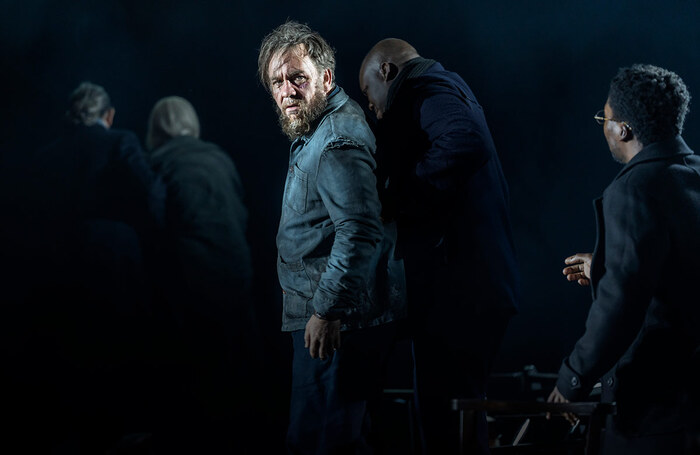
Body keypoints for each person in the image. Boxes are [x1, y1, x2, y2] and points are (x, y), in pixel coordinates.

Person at [359, 39, 520, 454]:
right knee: (456, 419)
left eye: (368, 94)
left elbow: (466, 140)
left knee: (447, 427)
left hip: (461, 295)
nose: (373, 109)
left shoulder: (428, 88)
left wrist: (398, 200)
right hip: (476, 289)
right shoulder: (448, 87)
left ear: (386, 72)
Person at [258, 21, 405, 455]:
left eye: (297, 77)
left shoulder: (336, 138)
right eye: (277, 81)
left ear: (325, 78)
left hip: (339, 327)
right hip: (330, 322)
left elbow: (361, 232)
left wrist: (326, 310)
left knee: (325, 444)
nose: (286, 91)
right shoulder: (317, 131)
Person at [551, 64, 700, 454]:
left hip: (654, 415)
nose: (604, 126)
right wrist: (604, 264)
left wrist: (572, 379)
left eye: (606, 117)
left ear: (623, 129)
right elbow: (678, 269)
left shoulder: (634, 188)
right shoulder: (693, 176)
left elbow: (622, 303)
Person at [17, 81, 165, 453]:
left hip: (60, 254)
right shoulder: (121, 141)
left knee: (71, 336)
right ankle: (119, 429)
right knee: (119, 334)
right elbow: (149, 190)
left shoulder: (47, 155)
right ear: (108, 115)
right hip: (114, 250)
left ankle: (74, 431)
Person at [145, 96, 256, 453]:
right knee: (238, 383)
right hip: (239, 277)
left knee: (195, 387)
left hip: (191, 285)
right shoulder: (219, 159)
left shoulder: (157, 164)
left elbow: (156, 229)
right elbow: (241, 217)